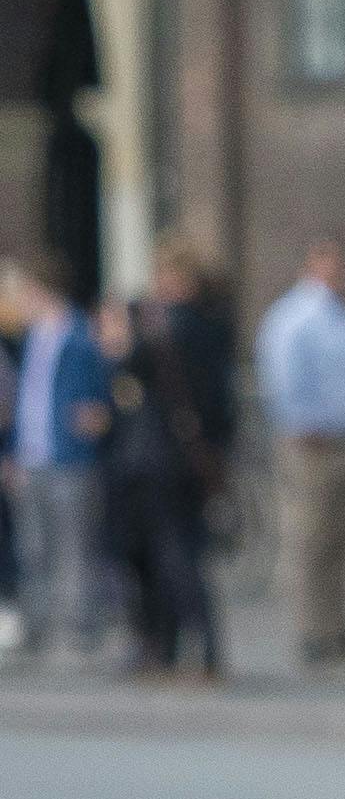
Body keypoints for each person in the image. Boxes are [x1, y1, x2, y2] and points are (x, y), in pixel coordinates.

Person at [255, 235, 345, 673]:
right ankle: (311, 630)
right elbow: (282, 376)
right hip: (311, 443)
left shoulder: (344, 315)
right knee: (311, 540)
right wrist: (301, 422)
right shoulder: (296, 316)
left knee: (343, 541)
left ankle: (338, 625)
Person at [98, 289, 218, 680]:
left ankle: (199, 645)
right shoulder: (146, 357)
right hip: (144, 473)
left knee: (173, 556)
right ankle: (162, 646)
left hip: (154, 473)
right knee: (147, 562)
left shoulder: (146, 355)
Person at [5, 259, 101, 662]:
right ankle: (38, 628)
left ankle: (74, 630)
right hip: (31, 457)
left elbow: (95, 397)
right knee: (33, 547)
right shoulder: (28, 339)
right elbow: (23, 402)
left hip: (69, 458)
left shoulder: (79, 337)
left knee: (72, 549)